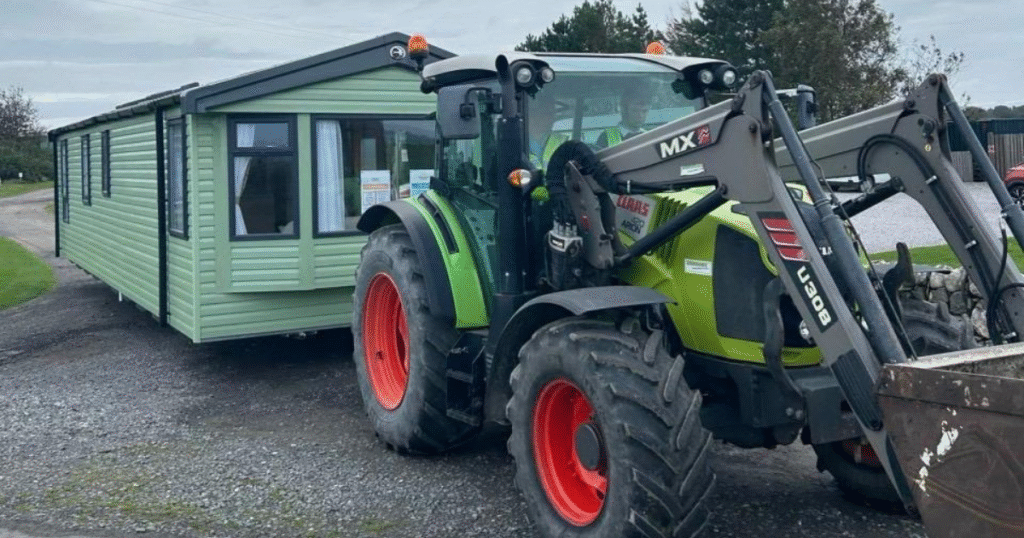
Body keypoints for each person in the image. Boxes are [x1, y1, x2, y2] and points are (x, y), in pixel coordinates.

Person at [527, 95, 568, 169]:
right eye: (548, 113)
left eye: (553, 113)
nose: (553, 118)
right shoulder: (513, 142)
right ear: (533, 114)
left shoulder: (563, 141)